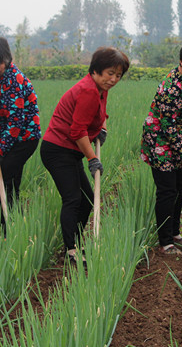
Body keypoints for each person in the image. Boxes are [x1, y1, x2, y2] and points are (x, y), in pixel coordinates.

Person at [40, 47, 130, 266]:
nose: (114, 79)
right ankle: (70, 250)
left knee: (87, 198)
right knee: (73, 199)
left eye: (118, 75)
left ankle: (76, 243)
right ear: (96, 70)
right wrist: (92, 158)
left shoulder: (100, 88)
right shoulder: (88, 90)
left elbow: (101, 113)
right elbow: (77, 131)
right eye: (110, 73)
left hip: (70, 152)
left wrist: (102, 128)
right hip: (58, 150)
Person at [141, 40, 182, 254]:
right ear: (181, 64)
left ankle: (176, 233)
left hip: (178, 137)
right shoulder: (171, 86)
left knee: (179, 187)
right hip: (160, 139)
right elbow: (168, 125)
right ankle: (165, 241)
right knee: (167, 190)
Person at [0, 37, 41, 228]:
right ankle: (17, 224)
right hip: (9, 139)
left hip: (24, 139)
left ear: (6, 60)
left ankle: (5, 229)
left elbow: (16, 120)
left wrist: (1, 151)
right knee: (10, 184)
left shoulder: (14, 80)